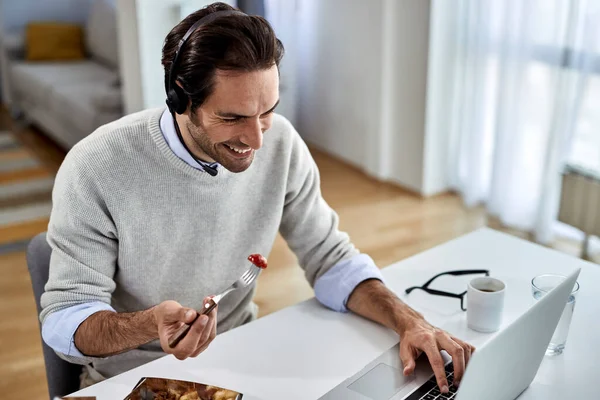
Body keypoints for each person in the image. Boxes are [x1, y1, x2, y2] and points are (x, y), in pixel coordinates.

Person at [40, 2, 474, 393]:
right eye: (233, 118)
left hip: (242, 360)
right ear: (180, 99)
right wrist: (148, 325)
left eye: (267, 111)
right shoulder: (97, 165)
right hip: (133, 382)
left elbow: (330, 257)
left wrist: (409, 322)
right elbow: (64, 322)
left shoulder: (280, 141)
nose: (257, 139)